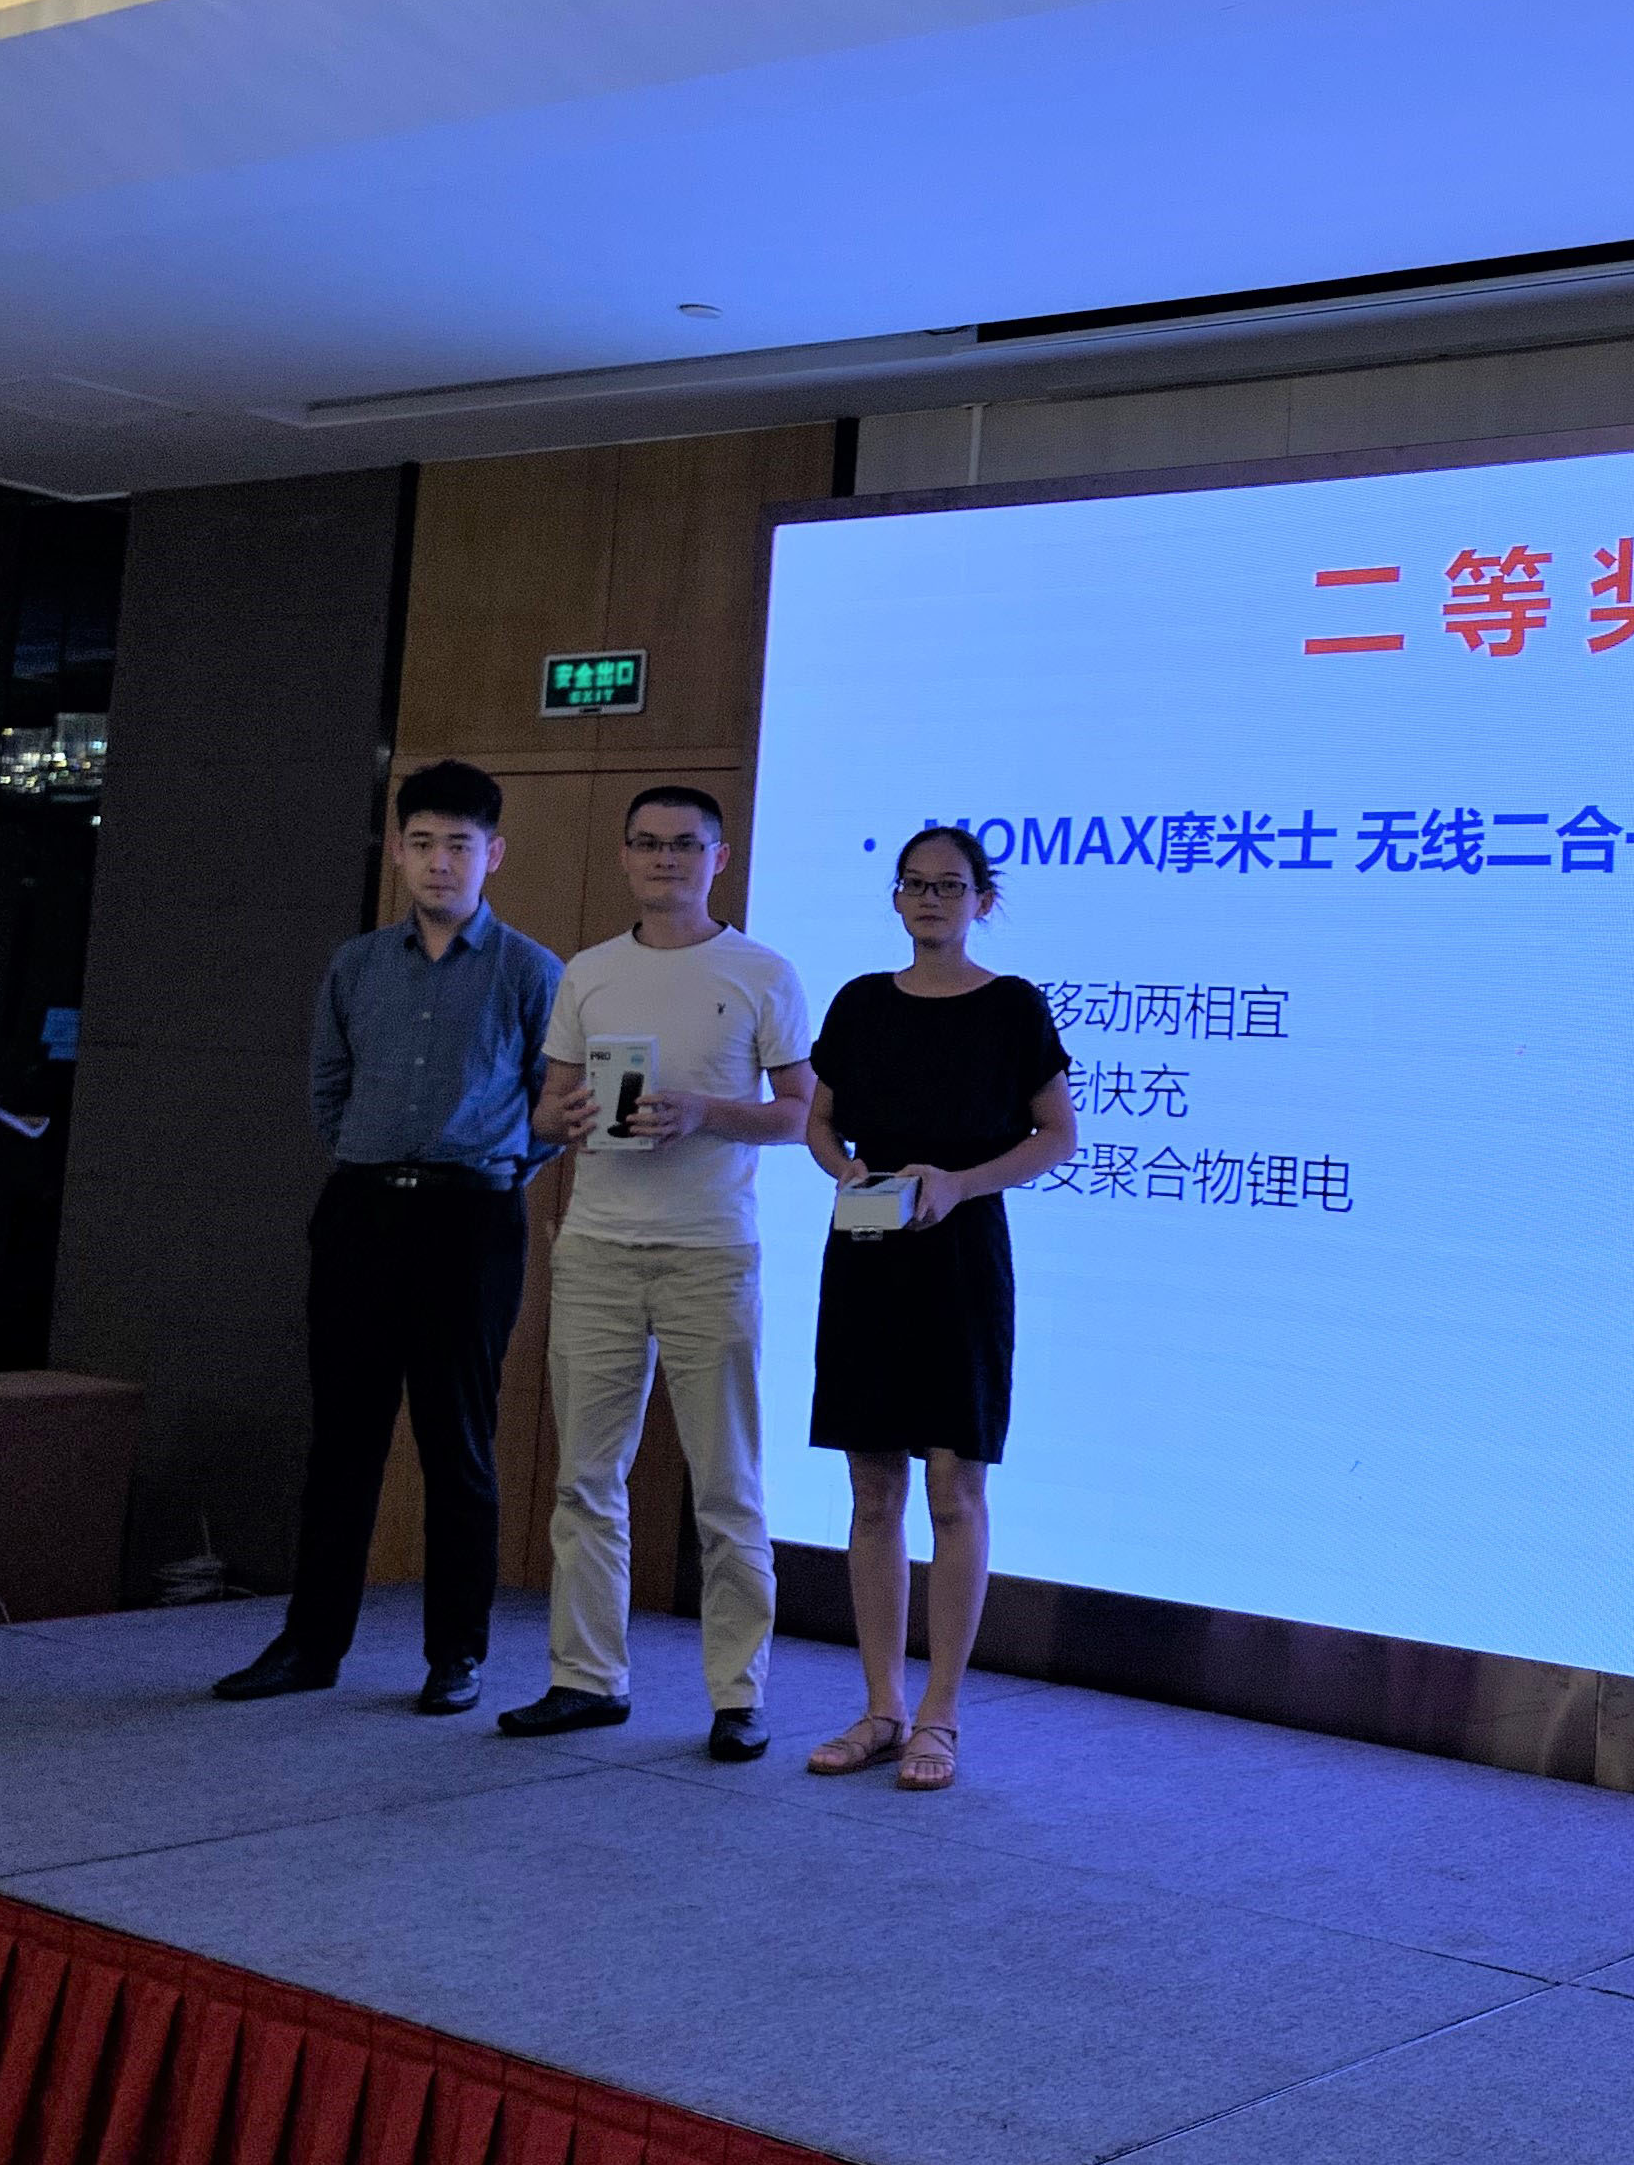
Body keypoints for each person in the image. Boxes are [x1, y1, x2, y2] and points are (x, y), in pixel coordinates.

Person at [218, 761, 562, 1713]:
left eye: (459, 845)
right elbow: (329, 1092)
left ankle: (455, 1655)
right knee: (343, 1440)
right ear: (398, 853)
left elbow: (552, 1107)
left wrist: (491, 1166)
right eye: (421, 843)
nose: (439, 862)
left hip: (471, 1218)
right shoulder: (356, 964)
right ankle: (310, 1645)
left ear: (493, 854)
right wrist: (378, 1160)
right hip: (361, 1210)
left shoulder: (531, 970)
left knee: (459, 1444)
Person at [506, 787, 813, 1762]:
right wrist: (567, 1118)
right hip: (596, 1246)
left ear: (719, 858)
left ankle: (738, 1695)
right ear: (625, 856)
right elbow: (548, 1107)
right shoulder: (589, 971)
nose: (664, 859)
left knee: (727, 1485)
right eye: (647, 843)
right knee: (584, 1479)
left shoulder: (761, 971)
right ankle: (586, 1677)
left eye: (684, 844)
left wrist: (704, 1112)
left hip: (709, 1251)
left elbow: (801, 1114)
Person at [799, 826, 1074, 1791]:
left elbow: (1057, 1135)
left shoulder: (1011, 1005)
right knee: (872, 1490)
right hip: (867, 1249)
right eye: (914, 884)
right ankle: (880, 1706)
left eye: (950, 886)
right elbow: (820, 1121)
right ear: (895, 897)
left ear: (981, 901)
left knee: (954, 1491)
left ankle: (940, 1717)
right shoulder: (860, 1001)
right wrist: (843, 1171)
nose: (930, 899)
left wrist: (960, 1184)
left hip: (962, 1257)